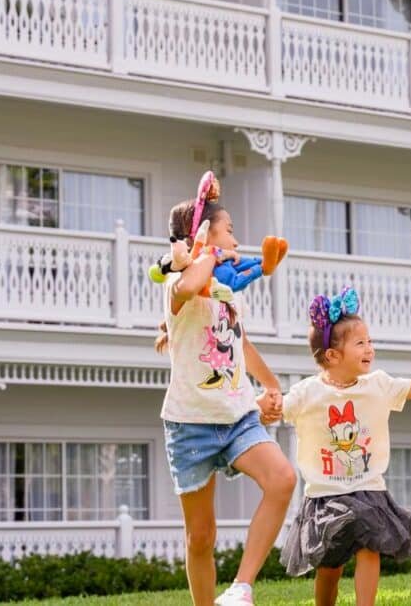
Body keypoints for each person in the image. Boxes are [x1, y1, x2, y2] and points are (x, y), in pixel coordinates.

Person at [156, 173, 296, 606]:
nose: (237, 237)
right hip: (190, 424)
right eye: (229, 229)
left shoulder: (229, 292)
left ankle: (241, 588)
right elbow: (190, 284)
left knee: (283, 479)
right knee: (201, 537)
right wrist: (206, 254)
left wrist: (271, 386)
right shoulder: (176, 289)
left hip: (237, 416)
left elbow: (241, 342)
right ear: (203, 234)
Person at [271, 288, 411, 606]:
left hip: (368, 489)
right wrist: (262, 404)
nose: (370, 349)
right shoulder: (307, 392)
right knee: (330, 567)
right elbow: (278, 407)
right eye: (360, 343)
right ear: (332, 356)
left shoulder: (378, 384)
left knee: (370, 547)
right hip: (325, 495)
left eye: (370, 341)